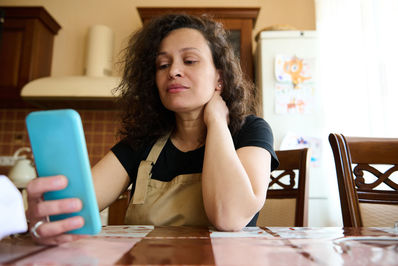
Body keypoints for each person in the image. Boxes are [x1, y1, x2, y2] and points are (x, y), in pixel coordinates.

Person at [25, 13, 279, 245]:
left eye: (189, 60)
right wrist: (44, 219)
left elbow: (230, 217)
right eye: (162, 65)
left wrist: (216, 121)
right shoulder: (142, 143)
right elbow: (74, 208)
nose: (174, 72)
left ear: (219, 79)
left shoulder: (250, 131)